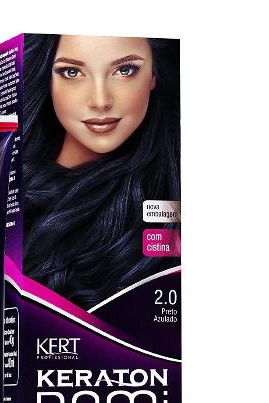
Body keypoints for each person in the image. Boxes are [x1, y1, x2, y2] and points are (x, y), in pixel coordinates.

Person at [23, 35, 180, 310]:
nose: (100, 101)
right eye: (72, 72)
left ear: (154, 75)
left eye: (125, 70)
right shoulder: (8, 185)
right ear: (47, 77)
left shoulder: (170, 193)